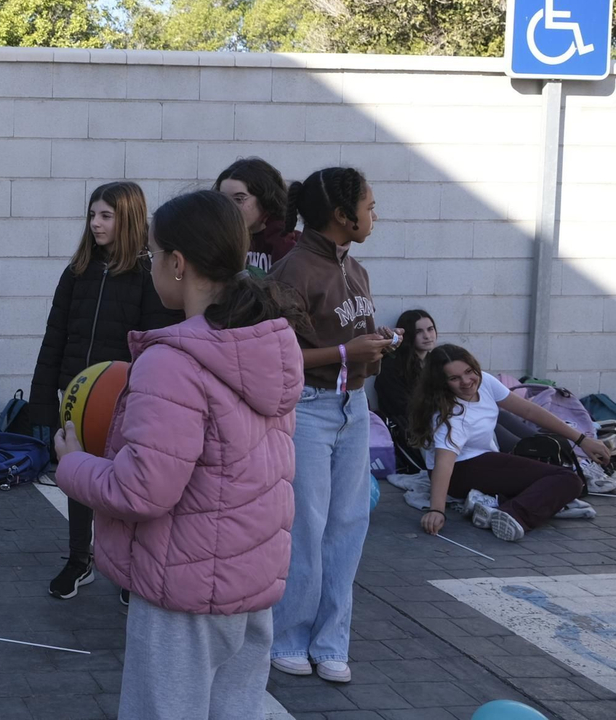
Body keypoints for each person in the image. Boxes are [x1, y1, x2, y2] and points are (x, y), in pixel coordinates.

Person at [53, 190, 304, 720]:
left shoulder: (171, 360)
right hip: (251, 583)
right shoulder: (266, 346)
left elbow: (142, 490)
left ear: (177, 263)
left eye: (153, 253)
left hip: (184, 588)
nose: (148, 266)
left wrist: (73, 464)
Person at [266, 166, 398, 684]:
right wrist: (348, 351)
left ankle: (330, 642)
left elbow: (351, 339)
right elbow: (279, 355)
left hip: (353, 406)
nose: (375, 215)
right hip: (309, 408)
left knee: (349, 524)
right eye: (369, 206)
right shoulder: (291, 271)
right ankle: (288, 637)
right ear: (342, 215)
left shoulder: (356, 269)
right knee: (307, 526)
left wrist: (375, 343)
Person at [29, 181, 181, 599]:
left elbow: (156, 346)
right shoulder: (77, 272)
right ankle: (80, 560)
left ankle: (131, 572)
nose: (95, 223)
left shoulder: (148, 276)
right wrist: (42, 401)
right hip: (77, 399)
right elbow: (53, 338)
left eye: (106, 216)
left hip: (128, 402)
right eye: (92, 215)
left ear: (128, 219)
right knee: (77, 473)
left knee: (129, 483)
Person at [409, 344, 612, 541]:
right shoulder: (450, 417)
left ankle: (490, 503)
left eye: (469, 371)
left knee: (546, 480)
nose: (466, 381)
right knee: (568, 480)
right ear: (442, 383)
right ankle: (513, 514)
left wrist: (581, 439)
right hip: (458, 472)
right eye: (454, 378)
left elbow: (529, 410)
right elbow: (444, 464)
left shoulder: (485, 382)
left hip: (484, 459)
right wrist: (437, 510)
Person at [374, 308, 438, 474]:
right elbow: (403, 408)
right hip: (415, 428)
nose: (427, 336)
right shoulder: (392, 367)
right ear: (408, 336)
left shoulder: (436, 362)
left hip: (439, 420)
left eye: (430, 329)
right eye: (419, 332)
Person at [215, 157, 297, 276]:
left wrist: (279, 232)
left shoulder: (292, 240)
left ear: (265, 198)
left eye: (239, 199)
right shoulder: (217, 239)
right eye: (223, 199)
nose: (230, 206)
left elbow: (293, 276)